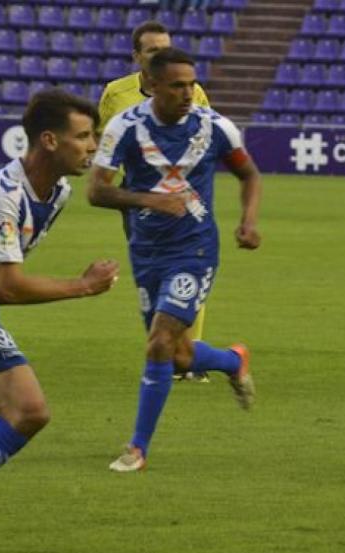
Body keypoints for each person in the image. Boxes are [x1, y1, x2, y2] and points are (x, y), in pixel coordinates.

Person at [88, 48, 262, 473]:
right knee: (178, 356)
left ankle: (137, 448)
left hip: (195, 249)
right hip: (147, 252)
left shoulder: (214, 126)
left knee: (159, 342)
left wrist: (248, 221)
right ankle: (232, 359)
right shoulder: (124, 128)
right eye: (178, 85)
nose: (188, 93)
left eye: (192, 84)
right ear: (152, 84)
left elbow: (248, 174)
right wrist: (144, 198)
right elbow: (96, 190)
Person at [0, 90, 120, 473]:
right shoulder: (4, 193)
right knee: (26, 408)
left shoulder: (59, 192)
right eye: (82, 137)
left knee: (28, 411)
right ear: (49, 140)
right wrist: (83, 286)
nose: (93, 147)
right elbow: (7, 286)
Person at [99, 20, 212, 381]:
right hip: (137, 203)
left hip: (184, 203)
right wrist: (121, 198)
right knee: (152, 277)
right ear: (137, 56)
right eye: (152, 50)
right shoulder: (116, 95)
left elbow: (205, 140)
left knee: (187, 270)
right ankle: (170, 351)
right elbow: (107, 150)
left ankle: (185, 356)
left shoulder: (194, 92)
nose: (161, 55)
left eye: (165, 48)